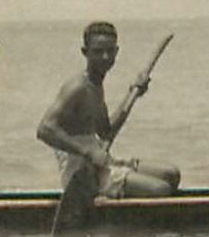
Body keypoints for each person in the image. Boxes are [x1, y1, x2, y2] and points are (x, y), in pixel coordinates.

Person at [37, 21, 181, 201]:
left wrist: (133, 94)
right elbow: (45, 129)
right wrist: (88, 152)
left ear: (116, 51)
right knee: (161, 189)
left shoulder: (96, 85)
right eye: (98, 52)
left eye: (109, 51)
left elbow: (106, 132)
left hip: (101, 164)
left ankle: (121, 187)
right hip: (81, 174)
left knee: (171, 174)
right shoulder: (77, 88)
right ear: (85, 52)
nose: (105, 57)